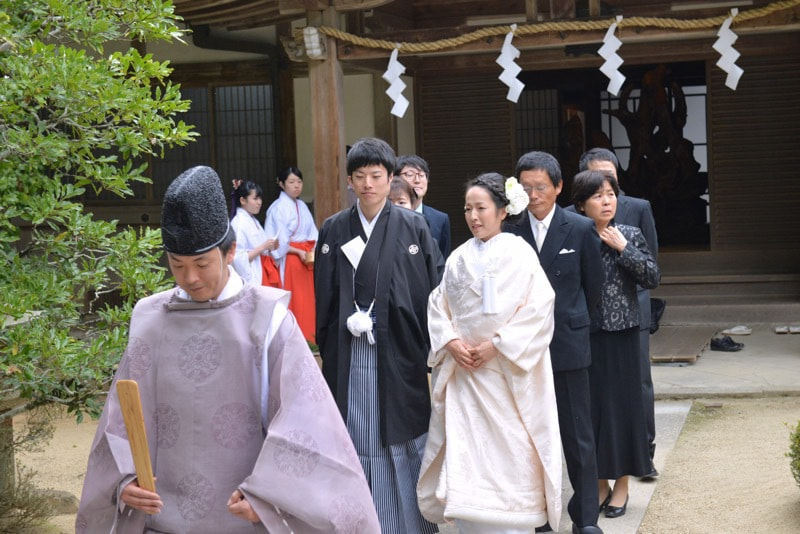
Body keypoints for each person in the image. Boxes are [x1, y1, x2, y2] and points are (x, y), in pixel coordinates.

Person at [76, 166, 379, 533]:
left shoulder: (267, 319)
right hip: (161, 520)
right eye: (177, 265)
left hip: (242, 519)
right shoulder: (151, 319)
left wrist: (270, 495)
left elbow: (306, 421)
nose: (190, 277)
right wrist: (124, 481)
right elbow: (119, 421)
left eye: (202, 263)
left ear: (231, 250)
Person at [417, 172, 562, 533]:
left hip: (505, 374)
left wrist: (497, 345)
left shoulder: (519, 251)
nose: (473, 217)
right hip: (466, 374)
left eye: (481, 208)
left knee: (511, 455)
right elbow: (438, 305)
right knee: (467, 456)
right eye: (468, 209)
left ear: (502, 210)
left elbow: (539, 307)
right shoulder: (458, 257)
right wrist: (451, 342)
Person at [314, 137, 441, 533]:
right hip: (351, 355)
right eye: (360, 176)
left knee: (401, 435)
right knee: (357, 433)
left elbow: (431, 291)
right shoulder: (334, 228)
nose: (368, 184)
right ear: (349, 181)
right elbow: (325, 296)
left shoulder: (413, 226)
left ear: (391, 179)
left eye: (376, 175)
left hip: (399, 352)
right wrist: (330, 345)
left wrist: (425, 347)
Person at [504, 151, 605, 534]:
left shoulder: (579, 228)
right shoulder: (510, 230)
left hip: (568, 342)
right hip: (523, 349)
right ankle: (540, 516)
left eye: (541, 187)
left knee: (578, 434)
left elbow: (592, 288)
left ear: (559, 187)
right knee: (530, 436)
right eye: (525, 187)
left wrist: (575, 324)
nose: (533, 195)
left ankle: (586, 518)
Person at [571, 169, 661, 520]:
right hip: (587, 335)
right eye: (597, 196)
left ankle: (621, 485)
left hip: (623, 333)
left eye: (611, 194)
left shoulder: (629, 233)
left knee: (624, 411)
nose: (607, 201)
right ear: (581, 205)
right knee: (593, 413)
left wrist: (624, 249)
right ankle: (599, 483)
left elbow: (652, 276)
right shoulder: (576, 236)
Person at [264, 166, 318, 342]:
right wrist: (298, 251)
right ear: (281, 184)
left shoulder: (301, 205)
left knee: (308, 301)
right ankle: (297, 339)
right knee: (296, 300)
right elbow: (278, 242)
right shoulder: (278, 207)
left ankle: (310, 337)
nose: (296, 186)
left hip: (305, 257)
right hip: (291, 259)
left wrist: (312, 249)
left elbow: (312, 233)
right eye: (291, 182)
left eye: (299, 182)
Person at [397, 154, 452, 259]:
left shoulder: (440, 219)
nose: (417, 180)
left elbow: (443, 262)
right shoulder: (386, 215)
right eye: (410, 174)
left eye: (422, 175)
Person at [229, 179, 280, 288]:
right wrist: (263, 247)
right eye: (255, 198)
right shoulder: (239, 223)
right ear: (243, 200)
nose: (259, 202)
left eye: (260, 198)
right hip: (255, 273)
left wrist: (270, 247)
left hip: (262, 269)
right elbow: (237, 258)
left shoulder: (252, 220)